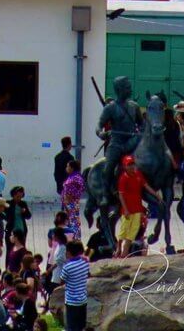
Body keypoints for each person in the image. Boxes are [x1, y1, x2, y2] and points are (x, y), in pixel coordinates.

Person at [96, 76, 143, 205]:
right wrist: (102, 134)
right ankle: (106, 194)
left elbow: (142, 124)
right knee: (108, 168)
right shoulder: (110, 108)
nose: (130, 89)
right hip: (117, 142)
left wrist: (140, 134)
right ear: (119, 89)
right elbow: (99, 125)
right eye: (128, 87)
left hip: (132, 142)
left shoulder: (135, 106)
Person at [116, 157, 160, 259]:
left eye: (132, 164)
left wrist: (156, 195)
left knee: (133, 232)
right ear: (124, 166)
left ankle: (125, 253)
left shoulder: (138, 174)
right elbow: (121, 195)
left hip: (137, 209)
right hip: (127, 210)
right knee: (124, 230)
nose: (131, 166)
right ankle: (118, 249)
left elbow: (146, 186)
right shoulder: (123, 178)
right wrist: (125, 209)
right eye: (129, 164)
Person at [59, 240, 90, 331]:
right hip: (83, 300)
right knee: (81, 327)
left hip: (72, 302)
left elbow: (62, 281)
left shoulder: (67, 267)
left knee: (72, 327)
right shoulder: (85, 263)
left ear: (68, 252)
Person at [5, 186, 32, 260]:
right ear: (13, 195)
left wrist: (24, 212)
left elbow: (29, 216)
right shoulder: (8, 203)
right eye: (17, 196)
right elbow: (5, 216)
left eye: (21, 196)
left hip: (21, 229)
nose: (19, 198)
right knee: (10, 250)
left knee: (21, 250)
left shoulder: (23, 203)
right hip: (11, 230)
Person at [60, 162, 85, 238]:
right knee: (70, 221)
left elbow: (72, 193)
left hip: (71, 204)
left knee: (73, 221)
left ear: (72, 168)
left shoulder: (75, 178)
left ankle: (75, 238)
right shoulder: (73, 177)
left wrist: (68, 203)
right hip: (69, 203)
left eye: (68, 166)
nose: (66, 168)